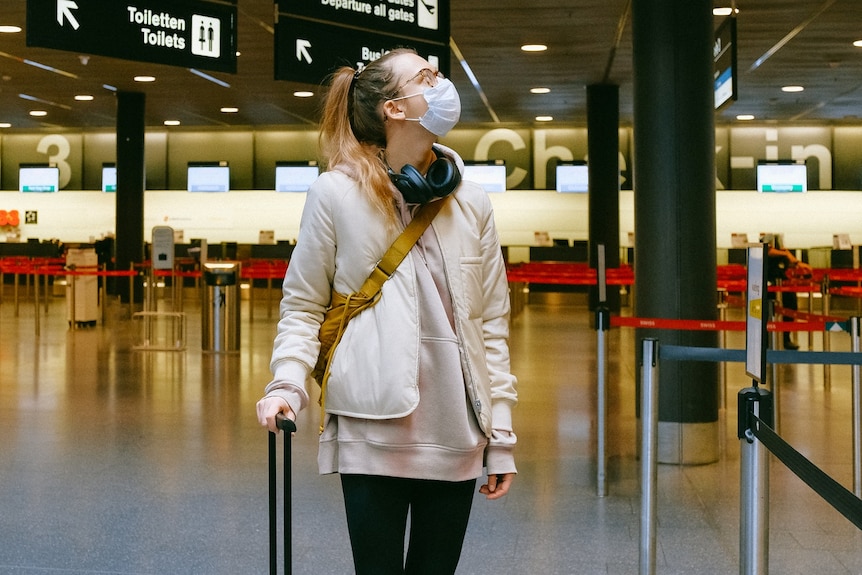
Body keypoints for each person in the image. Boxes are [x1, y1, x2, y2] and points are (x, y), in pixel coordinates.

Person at [256, 48, 518, 574]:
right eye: (427, 77)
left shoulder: (474, 203)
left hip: (456, 431)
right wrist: (287, 383)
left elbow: (490, 325)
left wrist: (502, 434)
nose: (443, 83)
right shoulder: (334, 195)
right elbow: (305, 304)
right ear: (395, 108)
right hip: (370, 427)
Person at [765, 235, 812, 350]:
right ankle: (767, 340)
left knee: (790, 308)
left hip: (783, 282)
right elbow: (767, 250)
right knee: (767, 312)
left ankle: (785, 338)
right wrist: (786, 255)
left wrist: (794, 261)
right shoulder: (765, 235)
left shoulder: (779, 240)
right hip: (768, 283)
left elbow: (787, 258)